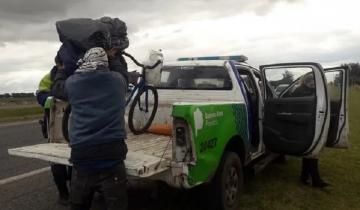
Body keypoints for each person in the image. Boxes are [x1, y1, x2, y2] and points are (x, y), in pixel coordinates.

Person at [64, 47, 128, 210]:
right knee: (117, 204)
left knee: (79, 204)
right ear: (105, 63)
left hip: (83, 154)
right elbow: (122, 72)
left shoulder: (72, 83)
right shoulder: (118, 81)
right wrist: (113, 56)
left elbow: (58, 85)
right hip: (112, 153)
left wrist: (60, 67)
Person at [36, 56, 72, 205]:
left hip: (74, 123)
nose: (62, 67)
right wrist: (50, 99)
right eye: (60, 64)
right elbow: (41, 95)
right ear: (57, 64)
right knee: (57, 162)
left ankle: (76, 192)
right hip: (55, 124)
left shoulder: (75, 74)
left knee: (75, 162)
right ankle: (63, 194)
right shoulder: (49, 77)